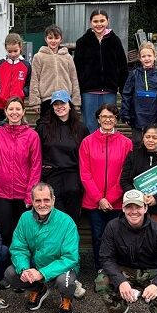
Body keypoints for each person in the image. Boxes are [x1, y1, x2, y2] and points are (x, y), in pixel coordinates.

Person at [96, 190, 157, 313]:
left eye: (138, 207)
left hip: (152, 270)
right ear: (123, 208)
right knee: (101, 282)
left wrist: (156, 285)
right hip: (124, 269)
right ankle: (118, 309)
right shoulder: (112, 227)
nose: (134, 211)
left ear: (145, 208)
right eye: (129, 207)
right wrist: (120, 281)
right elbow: (106, 258)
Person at [3, 183, 81, 313]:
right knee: (10, 273)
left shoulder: (67, 222)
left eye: (46, 200)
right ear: (32, 201)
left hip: (62, 267)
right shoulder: (25, 218)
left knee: (65, 283)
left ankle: (66, 299)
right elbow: (19, 247)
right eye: (38, 200)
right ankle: (39, 289)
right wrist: (24, 269)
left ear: (53, 200)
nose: (42, 204)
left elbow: (70, 257)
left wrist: (42, 273)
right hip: (36, 264)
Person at [79, 103, 133, 275]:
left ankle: (116, 271)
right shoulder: (87, 142)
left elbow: (126, 173)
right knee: (98, 237)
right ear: (98, 119)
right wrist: (99, 199)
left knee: (117, 238)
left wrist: (110, 197)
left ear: (116, 119)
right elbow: (85, 173)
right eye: (104, 116)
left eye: (111, 117)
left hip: (116, 201)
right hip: (94, 202)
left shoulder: (126, 143)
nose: (107, 120)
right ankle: (101, 270)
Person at [0, 97, 42, 245]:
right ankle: (4, 260)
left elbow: (36, 166)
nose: (14, 112)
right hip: (0, 192)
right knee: (4, 231)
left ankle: (20, 260)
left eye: (18, 109)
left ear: (23, 111)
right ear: (5, 112)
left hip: (23, 192)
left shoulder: (32, 136)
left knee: (22, 233)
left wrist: (30, 194)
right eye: (11, 109)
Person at [37, 90, 88, 222]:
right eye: (56, 104)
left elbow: (85, 156)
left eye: (63, 103)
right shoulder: (43, 127)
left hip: (73, 175)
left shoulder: (81, 128)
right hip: (51, 175)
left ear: (70, 105)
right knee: (55, 218)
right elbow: (37, 154)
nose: (59, 107)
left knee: (72, 218)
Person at [75, 10, 128, 133]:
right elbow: (77, 68)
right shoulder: (82, 42)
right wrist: (78, 90)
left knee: (108, 123)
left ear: (107, 21)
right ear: (90, 23)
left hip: (109, 91)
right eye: (95, 21)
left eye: (102, 21)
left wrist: (123, 89)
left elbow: (122, 67)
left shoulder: (115, 41)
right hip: (88, 92)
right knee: (90, 125)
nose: (99, 24)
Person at [119, 125, 157, 229]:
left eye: (155, 137)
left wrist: (156, 198)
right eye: (147, 137)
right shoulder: (132, 156)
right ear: (143, 137)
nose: (150, 140)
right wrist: (138, 196)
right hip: (136, 209)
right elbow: (124, 181)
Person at [28, 24, 80, 122]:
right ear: (45, 39)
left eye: (56, 38)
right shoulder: (39, 57)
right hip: (47, 99)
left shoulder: (67, 57)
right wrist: (35, 101)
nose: (53, 41)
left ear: (61, 39)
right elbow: (34, 79)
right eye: (50, 38)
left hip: (65, 99)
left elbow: (74, 79)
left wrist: (76, 101)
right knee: (47, 126)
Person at [120, 41, 157, 144]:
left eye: (149, 55)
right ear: (140, 58)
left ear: (155, 56)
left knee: (152, 142)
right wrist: (125, 113)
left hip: (154, 116)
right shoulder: (134, 75)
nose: (147, 58)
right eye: (144, 56)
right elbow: (127, 94)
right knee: (137, 142)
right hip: (136, 116)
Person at [0, 32, 32, 124]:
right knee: (1, 129)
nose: (13, 54)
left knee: (18, 129)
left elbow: (30, 84)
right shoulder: (0, 64)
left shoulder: (26, 65)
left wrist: (23, 93)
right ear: (6, 48)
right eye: (10, 51)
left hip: (18, 106)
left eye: (15, 51)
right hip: (2, 106)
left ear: (20, 47)